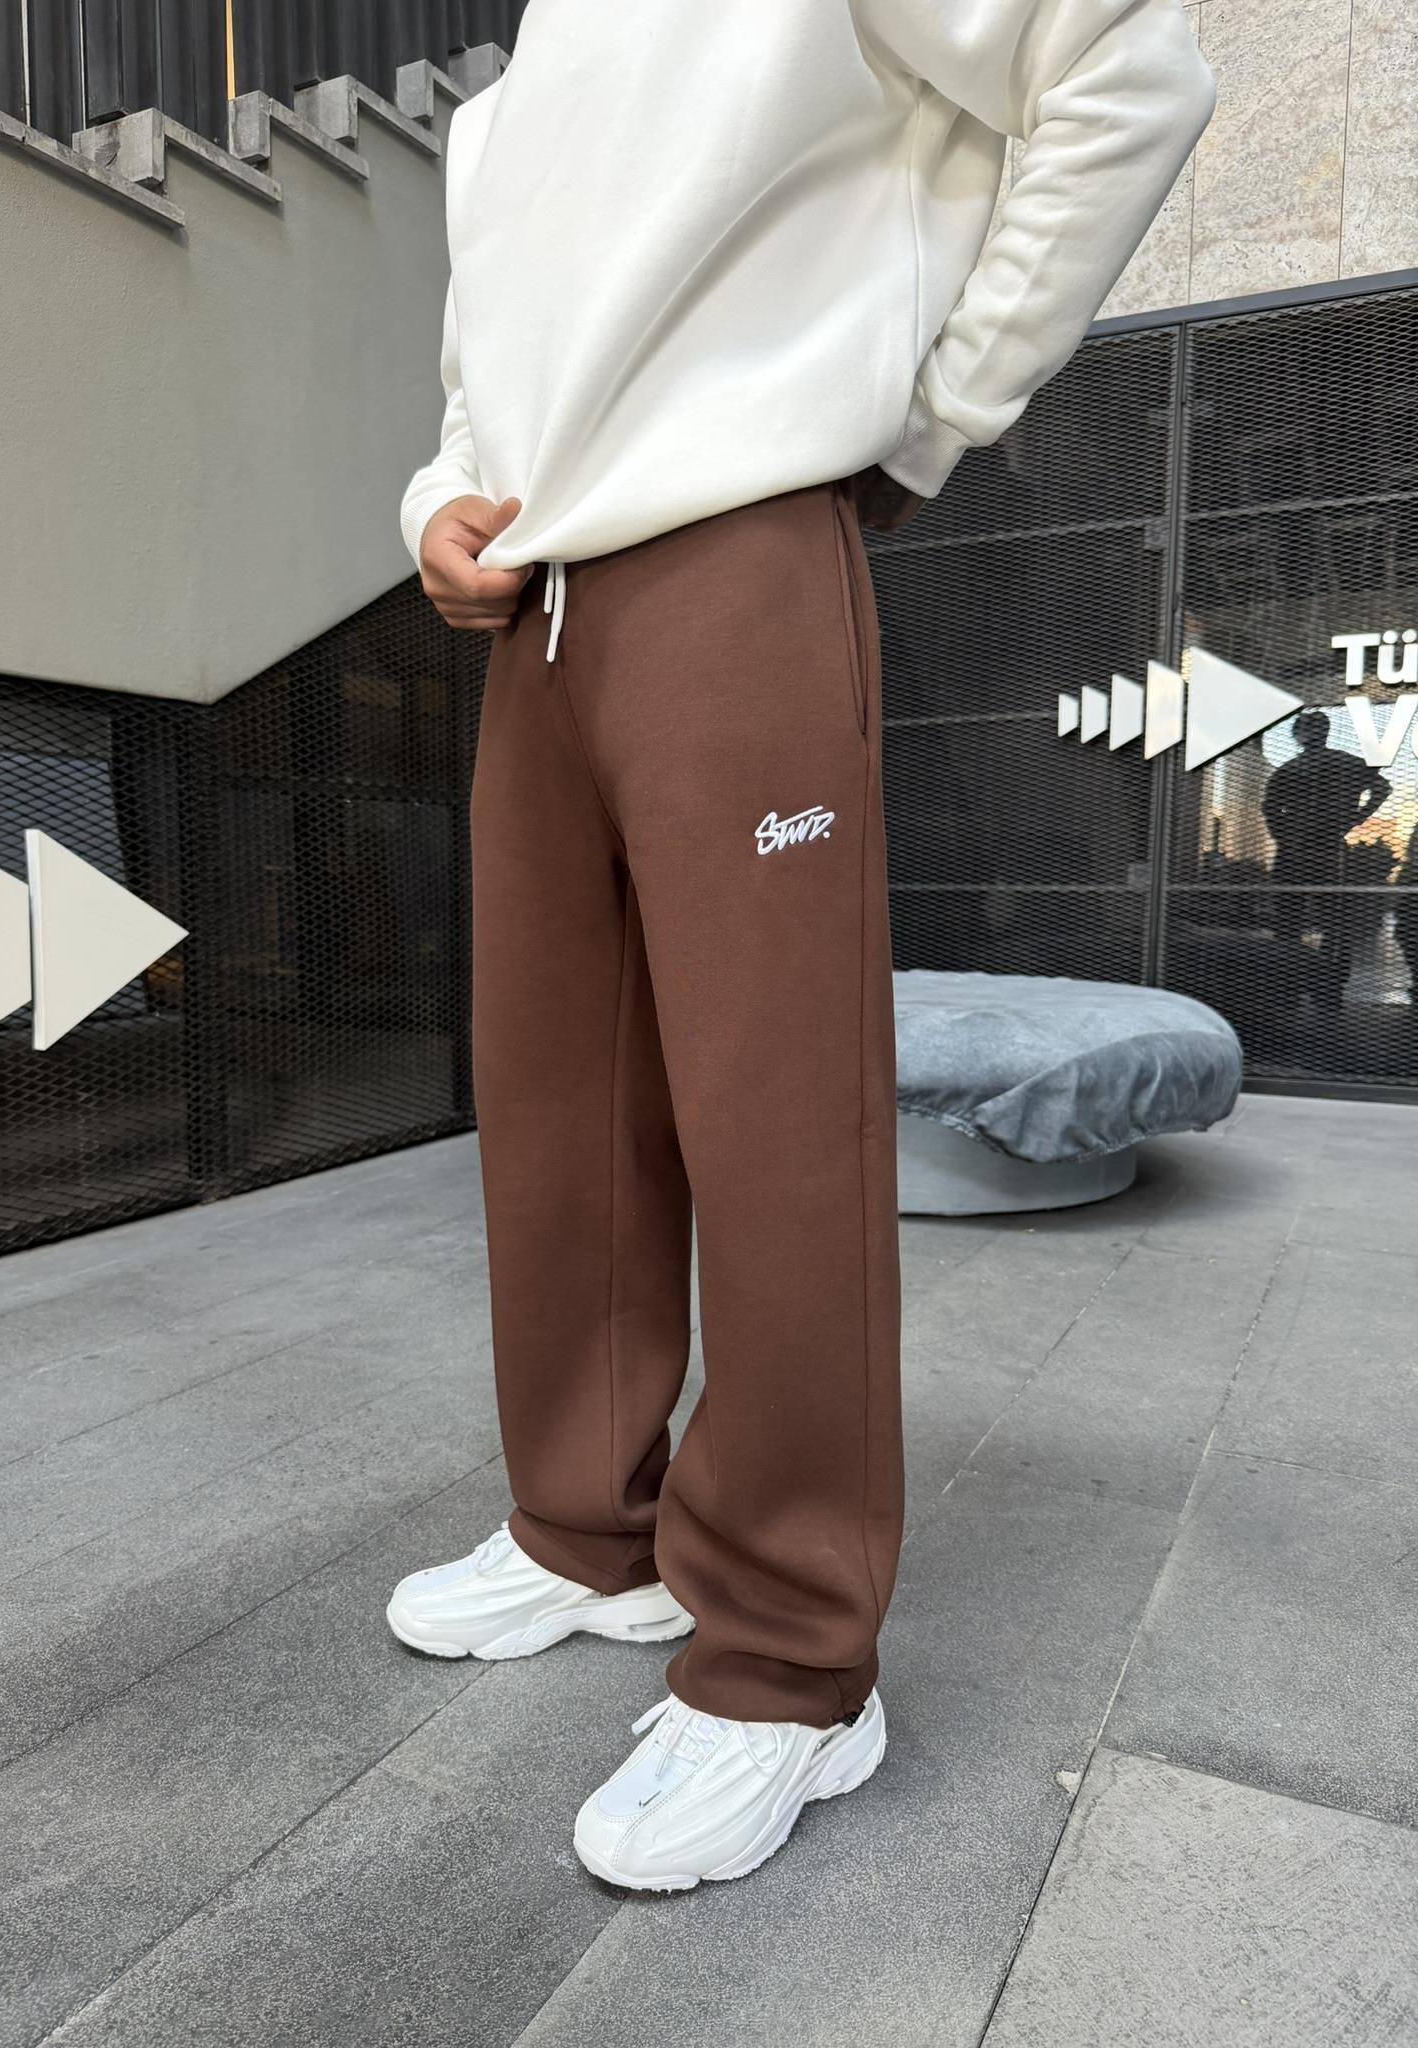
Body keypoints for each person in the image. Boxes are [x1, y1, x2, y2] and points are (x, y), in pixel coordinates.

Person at [389, 0, 1215, 1893]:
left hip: (740, 553)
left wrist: (930, 413)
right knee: (555, 1115)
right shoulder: (506, 97)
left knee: (777, 1126)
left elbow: (1121, 72)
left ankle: (788, 1660)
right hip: (538, 623)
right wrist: (438, 506)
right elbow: (479, 396)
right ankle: (585, 1529)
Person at [1262, 709, 1391, 1008]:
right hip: (1327, 847)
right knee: (1334, 921)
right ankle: (1329, 987)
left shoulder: (1289, 769)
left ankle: (1290, 985)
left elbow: (1270, 809)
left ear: (1298, 735)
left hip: (1296, 850)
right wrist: (1354, 817)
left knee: (1289, 922)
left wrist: (1285, 837)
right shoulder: (1345, 763)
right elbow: (1382, 787)